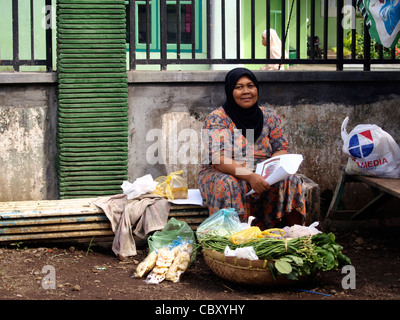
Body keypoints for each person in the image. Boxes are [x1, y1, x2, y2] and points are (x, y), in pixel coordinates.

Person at [198, 67, 306, 229]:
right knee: (229, 183)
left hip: (261, 171)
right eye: (239, 87)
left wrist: (269, 172)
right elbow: (218, 159)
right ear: (230, 91)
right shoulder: (217, 119)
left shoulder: (269, 116)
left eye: (250, 86)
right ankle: (233, 238)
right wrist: (250, 176)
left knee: (291, 179)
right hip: (223, 171)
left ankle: (295, 236)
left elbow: (281, 148)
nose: (246, 91)